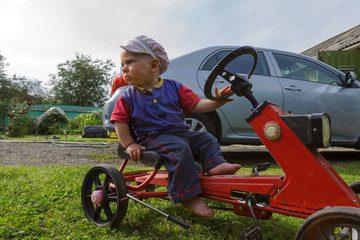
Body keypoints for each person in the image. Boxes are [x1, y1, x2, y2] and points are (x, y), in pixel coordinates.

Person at [110, 35, 241, 218]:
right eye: (122, 63)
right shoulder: (127, 96)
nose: (123, 67)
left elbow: (196, 105)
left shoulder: (174, 87)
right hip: (150, 137)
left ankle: (215, 165)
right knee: (178, 148)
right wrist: (129, 144)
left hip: (180, 134)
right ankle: (187, 196)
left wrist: (215, 102)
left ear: (153, 65)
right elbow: (120, 122)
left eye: (130, 61)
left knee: (206, 138)